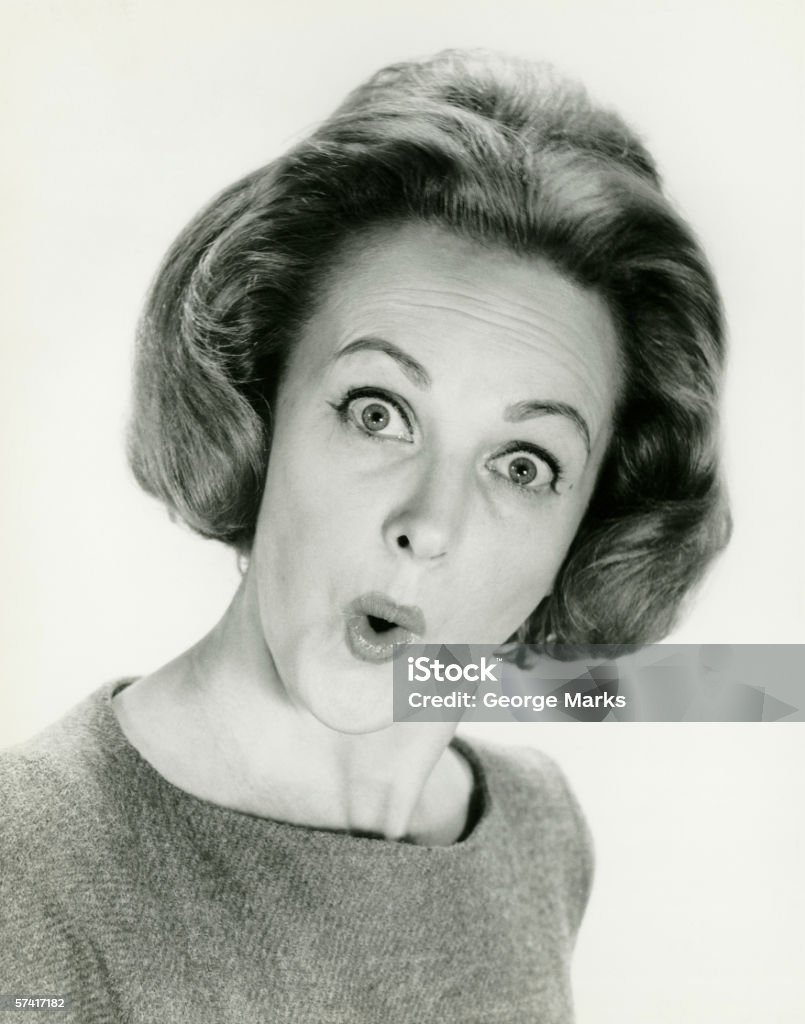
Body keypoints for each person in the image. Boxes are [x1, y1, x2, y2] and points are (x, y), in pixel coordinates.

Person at [0, 49, 729, 1023]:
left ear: (587, 528)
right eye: (378, 412)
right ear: (258, 409)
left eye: (523, 465)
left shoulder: (536, 827)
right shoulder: (31, 866)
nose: (429, 526)